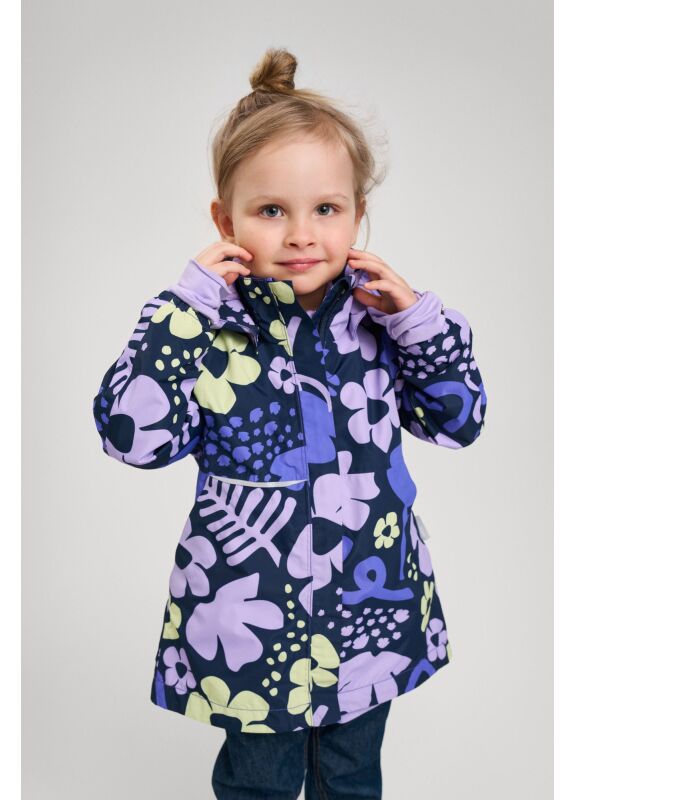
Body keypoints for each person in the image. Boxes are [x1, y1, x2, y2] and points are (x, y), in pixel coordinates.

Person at [93, 47, 487, 800]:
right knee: (259, 785)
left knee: (351, 778)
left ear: (358, 214)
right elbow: (130, 438)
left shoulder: (383, 326)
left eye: (326, 210)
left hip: (371, 609)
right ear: (226, 220)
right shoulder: (206, 335)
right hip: (254, 624)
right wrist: (183, 311)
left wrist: (416, 321)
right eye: (272, 210)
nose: (302, 234)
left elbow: (459, 420)